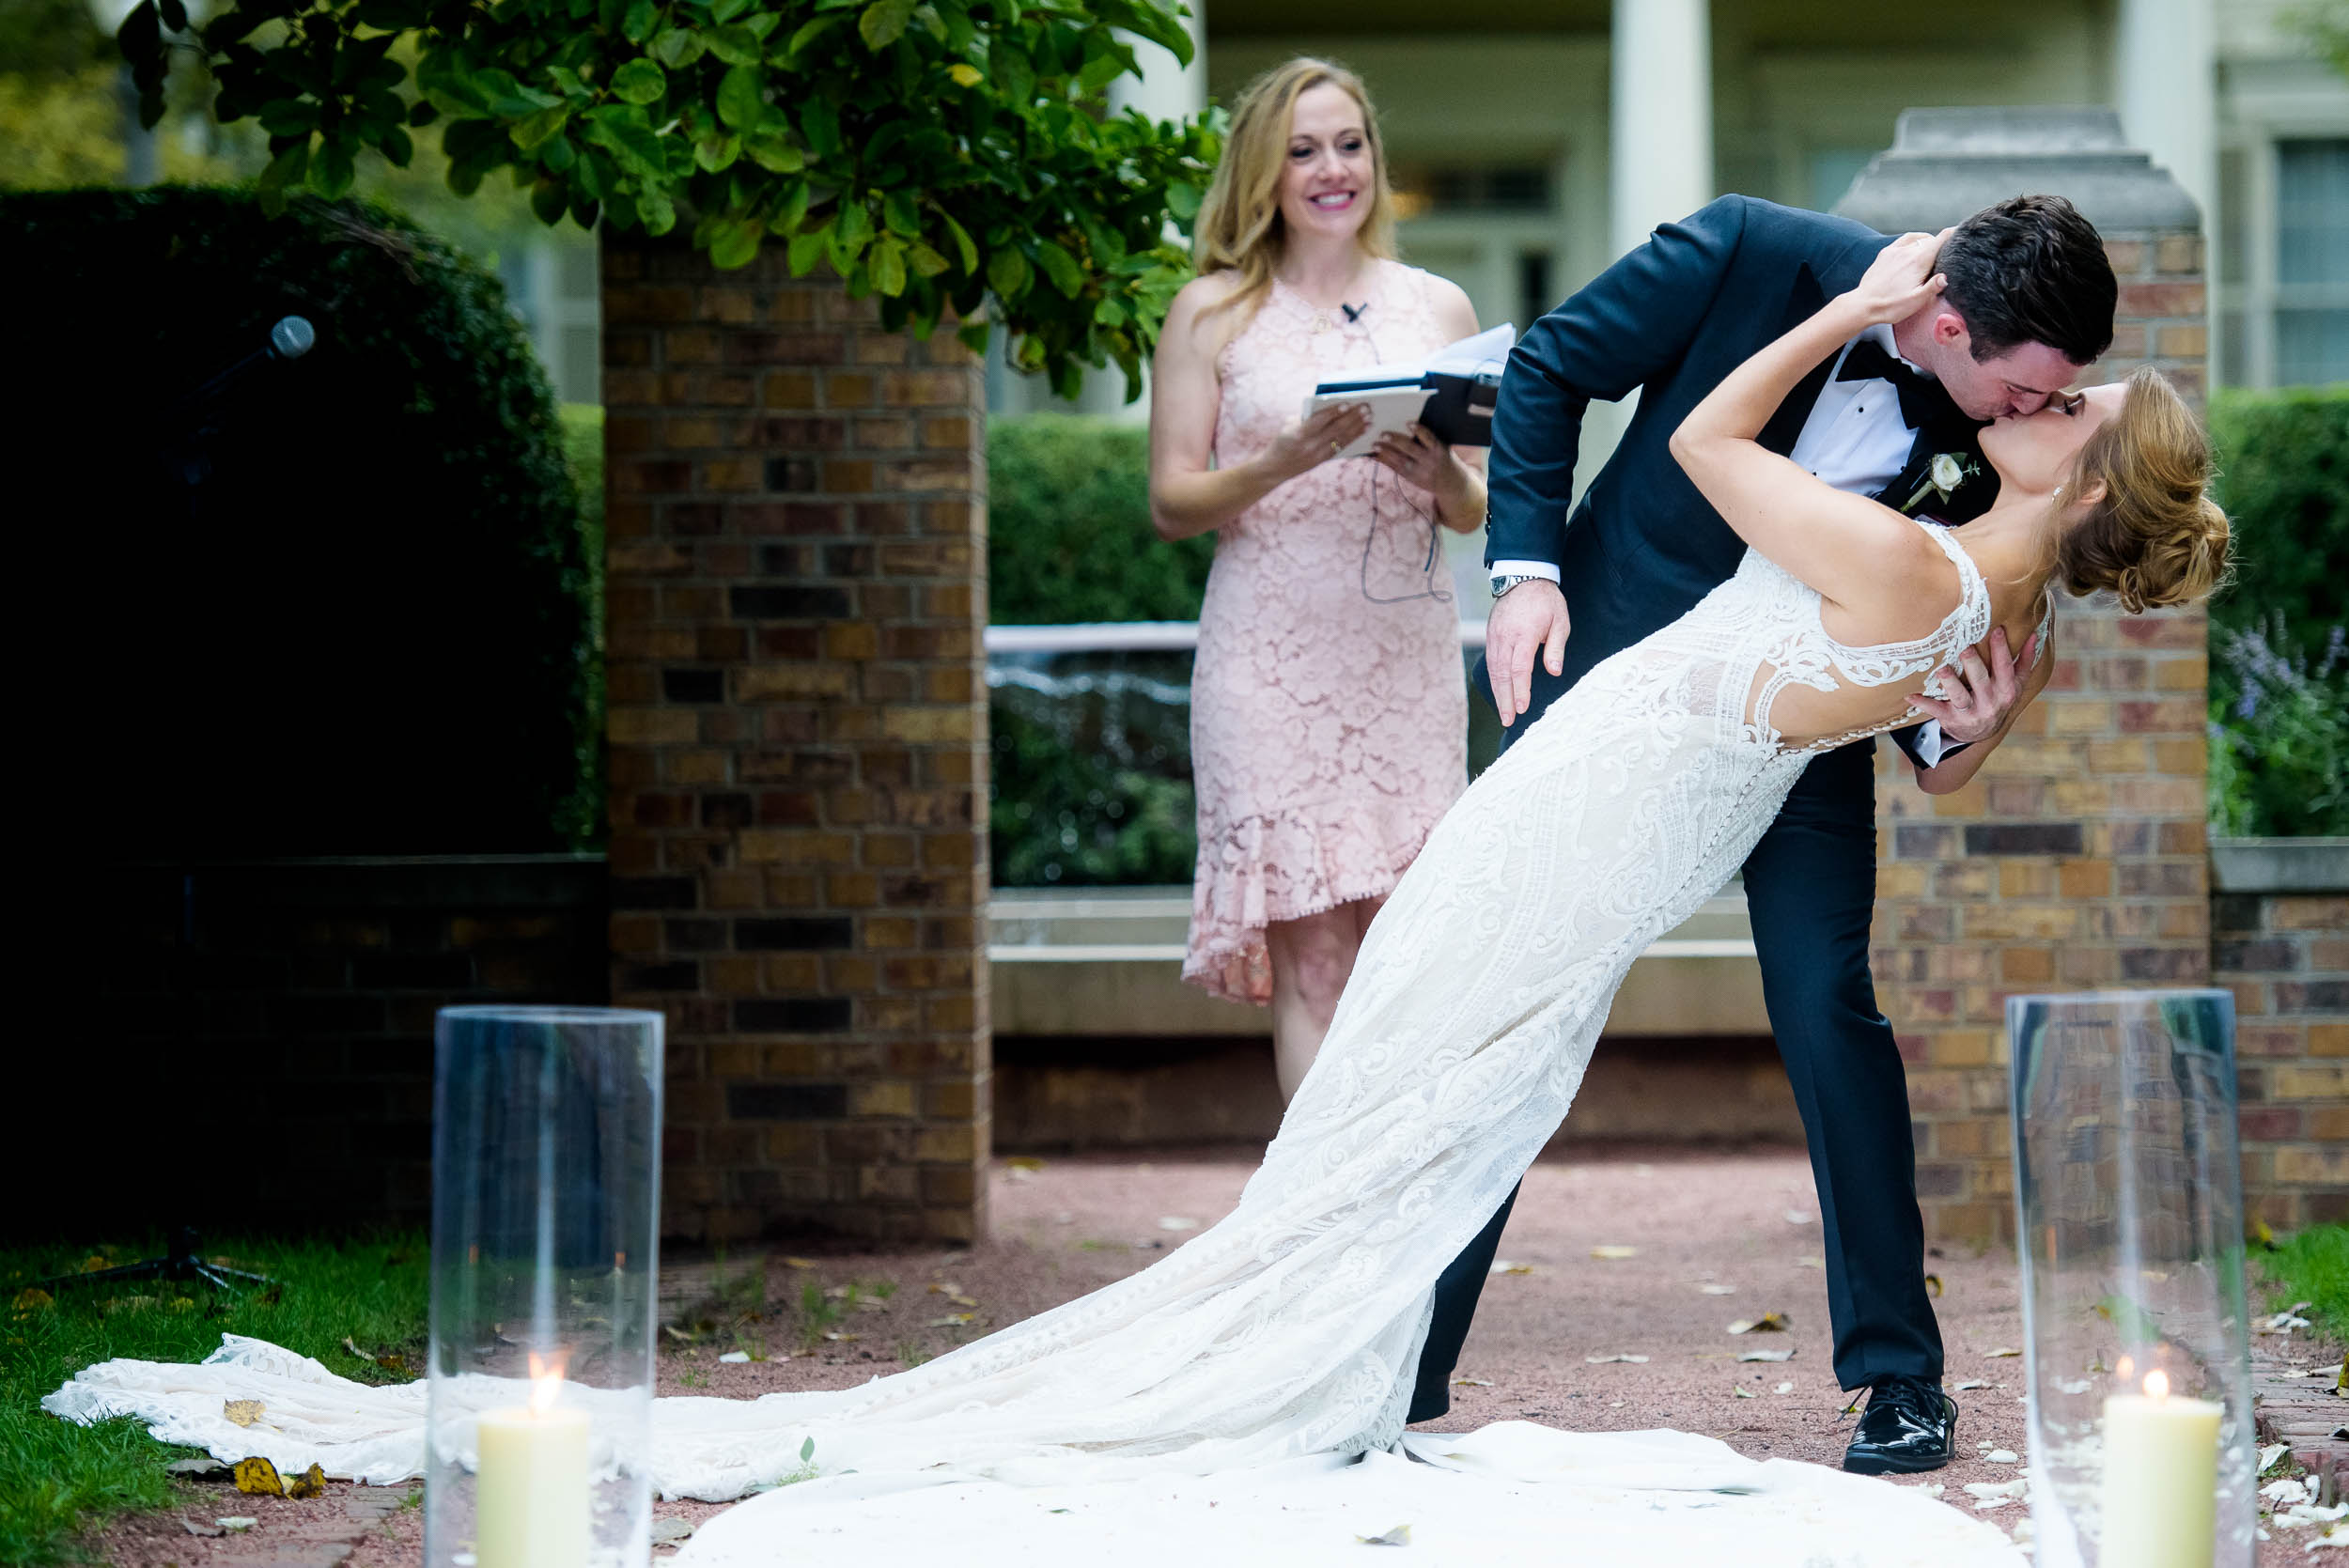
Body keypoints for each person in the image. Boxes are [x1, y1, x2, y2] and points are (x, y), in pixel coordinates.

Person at [48, 234, 2229, 1565]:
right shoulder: (1989, 596)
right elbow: (1930, 725)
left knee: (1416, 1072)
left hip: (1592, 801)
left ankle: (1292, 1362)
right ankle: (1338, 1362)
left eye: (2057, 405)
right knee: (1445, 1087)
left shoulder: (1925, 543)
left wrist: (1842, 321)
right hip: (1634, 799)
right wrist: (1936, 687)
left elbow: (1701, 461)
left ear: (2048, 452)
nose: (2025, 403)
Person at [1412, 193, 2129, 1476]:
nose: (2034, 418)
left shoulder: (2002, 453)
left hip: (1802, 739)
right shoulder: (1748, 249)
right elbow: (1552, 364)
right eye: (2023, 391)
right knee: (1523, 993)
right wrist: (1527, 573)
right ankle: (1408, 1354)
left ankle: (1902, 1380)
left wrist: (1977, 729)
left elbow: (1927, 723)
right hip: (1623, 676)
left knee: (1827, 1005)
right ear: (1951, 323)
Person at [1147, 57, 1488, 1101]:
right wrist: (1282, 460)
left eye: (1348, 145)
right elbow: (1170, 502)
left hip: (1402, 665)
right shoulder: (1208, 313)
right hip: (1270, 662)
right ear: (1265, 173)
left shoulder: (1437, 305)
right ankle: (1325, 1232)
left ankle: (1401, 1218)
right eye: (1302, 150)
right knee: (1319, 964)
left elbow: (1477, 505)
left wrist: (1440, 475)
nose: (1330, 168)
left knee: (1401, 962)